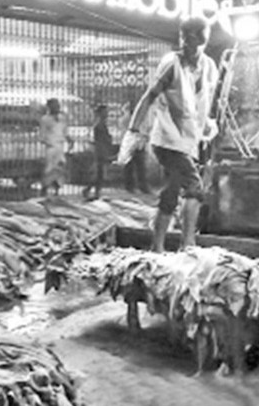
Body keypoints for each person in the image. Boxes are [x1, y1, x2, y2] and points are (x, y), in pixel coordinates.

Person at [120, 16, 219, 252]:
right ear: (181, 37)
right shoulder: (170, 64)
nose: (188, 43)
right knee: (194, 187)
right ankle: (188, 245)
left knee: (172, 191)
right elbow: (149, 97)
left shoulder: (209, 67)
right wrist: (133, 132)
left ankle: (157, 246)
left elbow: (203, 104)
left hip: (188, 142)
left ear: (203, 39)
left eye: (195, 38)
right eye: (185, 37)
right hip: (166, 140)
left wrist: (207, 124)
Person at [39, 98, 71, 195]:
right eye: (54, 105)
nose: (57, 107)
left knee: (60, 168)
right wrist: (48, 142)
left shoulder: (62, 118)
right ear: (49, 107)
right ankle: (44, 188)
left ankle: (57, 189)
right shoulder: (45, 119)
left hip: (60, 146)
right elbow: (42, 135)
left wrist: (69, 140)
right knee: (49, 168)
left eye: (57, 105)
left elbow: (65, 132)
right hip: (51, 147)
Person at [84, 104, 115, 201]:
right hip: (100, 151)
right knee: (99, 173)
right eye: (105, 112)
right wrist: (108, 140)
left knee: (100, 173)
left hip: (102, 150)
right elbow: (100, 139)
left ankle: (92, 190)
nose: (107, 114)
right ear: (100, 113)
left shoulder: (102, 124)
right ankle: (92, 190)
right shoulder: (99, 125)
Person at [119, 99, 150, 194]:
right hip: (136, 144)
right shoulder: (132, 119)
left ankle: (130, 186)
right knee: (139, 167)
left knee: (130, 167)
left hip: (130, 144)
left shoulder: (124, 119)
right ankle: (141, 186)